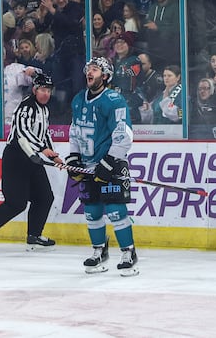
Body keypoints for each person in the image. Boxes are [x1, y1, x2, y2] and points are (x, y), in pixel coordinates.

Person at [67, 57, 138, 276]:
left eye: (95, 70)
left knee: (116, 211)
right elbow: (75, 131)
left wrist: (109, 162)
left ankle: (129, 253)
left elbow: (124, 135)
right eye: (88, 69)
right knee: (92, 212)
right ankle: (99, 251)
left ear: (105, 76)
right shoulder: (78, 100)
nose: (90, 72)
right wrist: (73, 158)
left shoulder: (114, 100)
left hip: (112, 165)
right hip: (88, 166)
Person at [0, 74, 61, 252]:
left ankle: (34, 235)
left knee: (45, 197)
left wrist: (53, 156)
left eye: (49, 91)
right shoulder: (25, 107)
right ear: (35, 89)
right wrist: (44, 149)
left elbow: (44, 133)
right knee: (16, 202)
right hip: (16, 158)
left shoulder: (44, 110)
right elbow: (23, 133)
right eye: (43, 90)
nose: (46, 94)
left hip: (32, 158)